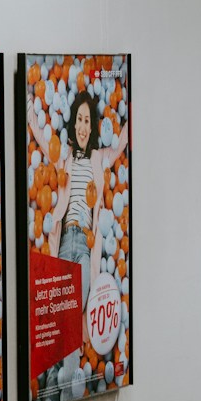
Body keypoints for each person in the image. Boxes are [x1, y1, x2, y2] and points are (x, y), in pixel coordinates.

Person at [31, 88, 128, 316]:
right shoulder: (65, 157)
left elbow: (121, 142)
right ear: (74, 125)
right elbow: (42, 140)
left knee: (72, 314)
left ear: (91, 127)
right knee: (62, 316)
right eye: (79, 120)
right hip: (65, 241)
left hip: (85, 244)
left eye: (87, 121)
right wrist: (29, 108)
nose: (83, 127)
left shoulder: (99, 158)